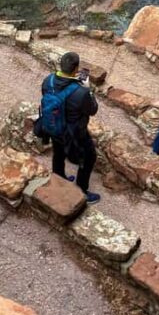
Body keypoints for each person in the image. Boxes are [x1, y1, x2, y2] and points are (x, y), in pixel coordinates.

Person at [41, 52, 101, 204]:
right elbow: (92, 110)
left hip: (54, 127)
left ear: (61, 66)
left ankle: (58, 178)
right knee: (88, 158)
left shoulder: (49, 80)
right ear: (76, 69)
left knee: (58, 153)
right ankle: (81, 191)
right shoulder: (81, 92)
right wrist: (89, 90)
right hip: (75, 133)